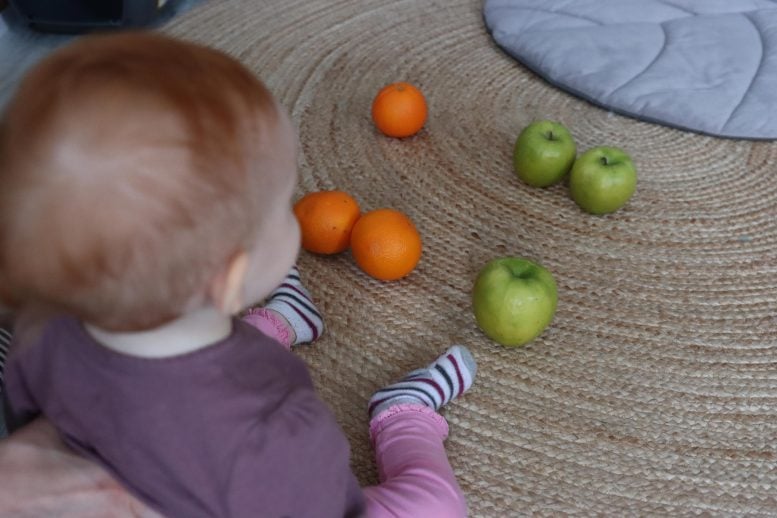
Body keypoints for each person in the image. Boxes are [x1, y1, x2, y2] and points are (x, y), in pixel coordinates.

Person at [0, 32, 476, 517]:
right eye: (283, 206)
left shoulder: (41, 329)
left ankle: (282, 319)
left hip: (157, 456)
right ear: (230, 280)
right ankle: (403, 414)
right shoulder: (272, 433)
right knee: (435, 507)